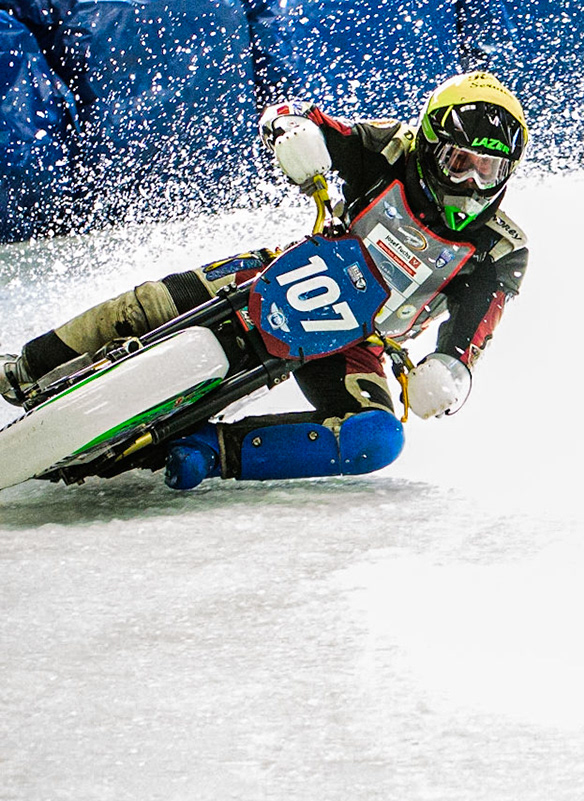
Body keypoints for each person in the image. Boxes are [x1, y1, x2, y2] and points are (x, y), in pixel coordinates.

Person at [0, 71, 531, 489]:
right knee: (149, 303)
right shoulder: (390, 146)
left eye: (489, 169)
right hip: (292, 269)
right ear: (430, 146)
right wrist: (295, 135)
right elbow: (299, 118)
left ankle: (213, 452)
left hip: (359, 341)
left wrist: (447, 376)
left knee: (379, 439)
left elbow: (468, 341)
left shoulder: (501, 249)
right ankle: (28, 366)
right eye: (460, 161)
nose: (471, 181)